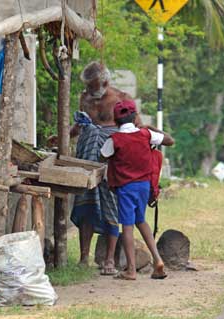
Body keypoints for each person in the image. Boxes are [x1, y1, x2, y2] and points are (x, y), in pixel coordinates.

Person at [101, 99, 175, 280]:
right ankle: (157, 260)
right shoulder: (146, 134)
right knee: (141, 220)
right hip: (144, 186)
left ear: (116, 121)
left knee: (127, 227)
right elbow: (170, 141)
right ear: (135, 118)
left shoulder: (115, 139)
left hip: (126, 188)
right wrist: (150, 127)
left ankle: (131, 270)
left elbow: (103, 154)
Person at [69, 62, 127, 275]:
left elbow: (132, 128)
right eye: (87, 87)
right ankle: (84, 257)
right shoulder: (84, 98)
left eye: (94, 87)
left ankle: (109, 260)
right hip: (86, 161)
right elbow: (78, 127)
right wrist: (66, 134)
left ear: (105, 82)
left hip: (110, 162)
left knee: (111, 206)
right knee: (86, 205)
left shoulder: (121, 98)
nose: (90, 92)